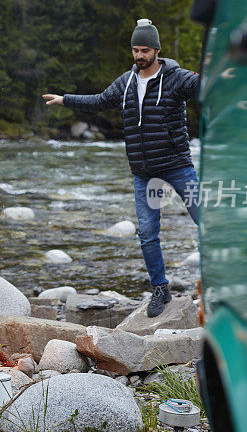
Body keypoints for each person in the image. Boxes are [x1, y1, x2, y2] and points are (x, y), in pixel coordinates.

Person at [43, 19, 200, 317]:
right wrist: (65, 100)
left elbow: (201, 86)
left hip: (177, 166)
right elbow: (100, 101)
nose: (139, 56)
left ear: (156, 50)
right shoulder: (126, 82)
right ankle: (160, 289)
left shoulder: (176, 78)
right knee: (147, 234)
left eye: (144, 50)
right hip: (143, 172)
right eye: (135, 50)